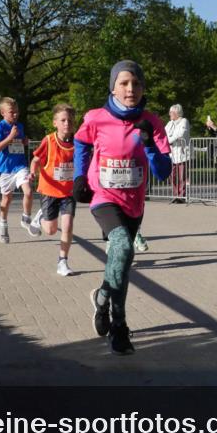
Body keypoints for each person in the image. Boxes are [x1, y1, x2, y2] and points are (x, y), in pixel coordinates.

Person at [73, 60, 171, 355]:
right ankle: (119, 327)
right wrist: (79, 176)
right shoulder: (96, 117)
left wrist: (149, 144)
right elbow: (81, 143)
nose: (131, 89)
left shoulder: (152, 122)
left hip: (133, 203)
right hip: (103, 197)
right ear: (113, 87)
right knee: (123, 247)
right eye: (124, 83)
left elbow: (164, 172)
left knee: (121, 260)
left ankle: (102, 298)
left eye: (136, 83)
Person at [29, 103, 78, 274]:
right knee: (50, 230)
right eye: (63, 120)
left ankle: (62, 261)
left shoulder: (78, 142)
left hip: (68, 192)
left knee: (68, 226)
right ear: (55, 123)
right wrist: (32, 172)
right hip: (50, 190)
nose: (67, 123)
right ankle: (40, 217)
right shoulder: (49, 140)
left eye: (70, 120)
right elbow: (36, 160)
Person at [0, 97, 40, 243]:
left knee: (29, 191)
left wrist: (24, 141)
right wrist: (11, 137)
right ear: (3, 113)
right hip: (6, 169)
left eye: (17, 111)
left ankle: (26, 218)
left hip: (20, 166)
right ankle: (2, 223)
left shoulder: (20, 126)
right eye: (11, 112)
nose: (15, 114)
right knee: (7, 199)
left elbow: (20, 143)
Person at [165, 104, 190, 204]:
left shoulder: (184, 121)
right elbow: (164, 133)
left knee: (182, 176)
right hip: (172, 154)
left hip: (182, 153)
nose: (169, 114)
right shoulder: (170, 123)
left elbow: (180, 134)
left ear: (177, 113)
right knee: (172, 176)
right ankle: (175, 195)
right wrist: (170, 139)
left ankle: (182, 196)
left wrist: (169, 140)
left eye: (171, 112)